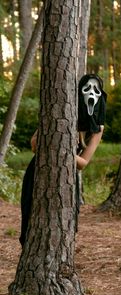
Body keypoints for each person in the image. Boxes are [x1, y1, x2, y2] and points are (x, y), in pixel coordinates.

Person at [19, 74, 106, 246]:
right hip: (38, 170)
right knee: (31, 215)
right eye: (86, 89)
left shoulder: (97, 129)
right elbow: (34, 145)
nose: (91, 93)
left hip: (65, 178)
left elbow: (83, 164)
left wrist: (63, 149)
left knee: (62, 222)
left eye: (96, 90)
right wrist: (56, 131)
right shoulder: (63, 112)